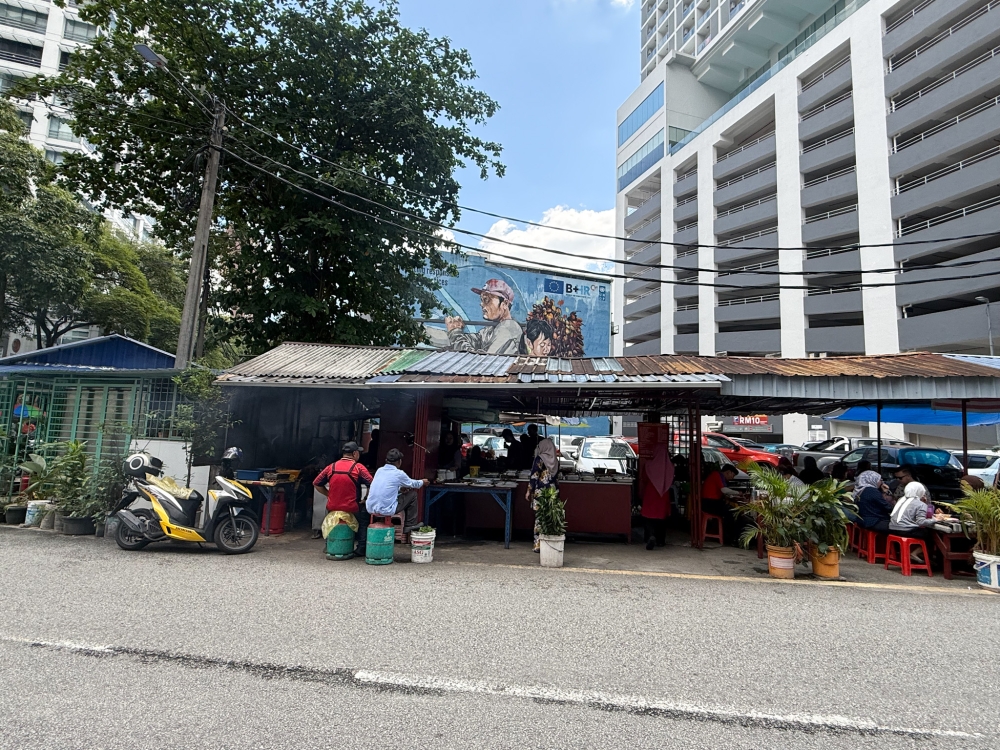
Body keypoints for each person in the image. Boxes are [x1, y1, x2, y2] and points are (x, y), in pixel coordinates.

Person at [313, 442, 373, 551]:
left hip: (333, 507)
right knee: (364, 521)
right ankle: (361, 548)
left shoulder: (331, 467)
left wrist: (328, 494)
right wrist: (365, 499)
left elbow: (316, 483)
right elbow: (372, 484)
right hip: (352, 507)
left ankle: (328, 545)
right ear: (355, 453)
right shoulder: (358, 468)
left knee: (329, 519)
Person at [444, 279, 523, 355]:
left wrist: (455, 334)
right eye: (481, 300)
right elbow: (465, 339)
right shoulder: (489, 330)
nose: (481, 304)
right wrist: (454, 330)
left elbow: (480, 360)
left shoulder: (509, 327)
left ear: (505, 304)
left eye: (486, 300)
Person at [367, 448, 428, 532]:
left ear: (386, 460)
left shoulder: (379, 470)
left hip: (371, 508)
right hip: (387, 509)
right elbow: (413, 484)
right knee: (413, 495)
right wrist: (423, 482)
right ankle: (410, 524)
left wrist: (399, 489)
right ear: (399, 461)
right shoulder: (399, 474)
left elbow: (387, 486)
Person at [526, 437, 559, 552]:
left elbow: (534, 476)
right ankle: (549, 544)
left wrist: (529, 490)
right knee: (549, 517)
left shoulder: (540, 459)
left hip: (540, 492)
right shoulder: (555, 460)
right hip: (552, 492)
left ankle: (538, 545)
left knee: (539, 518)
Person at [641, 444, 674, 550]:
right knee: (661, 518)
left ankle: (650, 536)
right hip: (663, 494)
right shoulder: (670, 467)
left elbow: (644, 479)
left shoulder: (649, 465)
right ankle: (660, 541)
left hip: (651, 492)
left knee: (649, 517)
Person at [701, 465, 740, 541]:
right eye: (733, 475)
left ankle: (729, 536)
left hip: (711, 503)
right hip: (710, 504)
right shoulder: (717, 475)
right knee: (733, 513)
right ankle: (732, 537)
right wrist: (738, 493)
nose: (733, 477)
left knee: (730, 511)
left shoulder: (719, 476)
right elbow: (724, 490)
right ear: (728, 472)